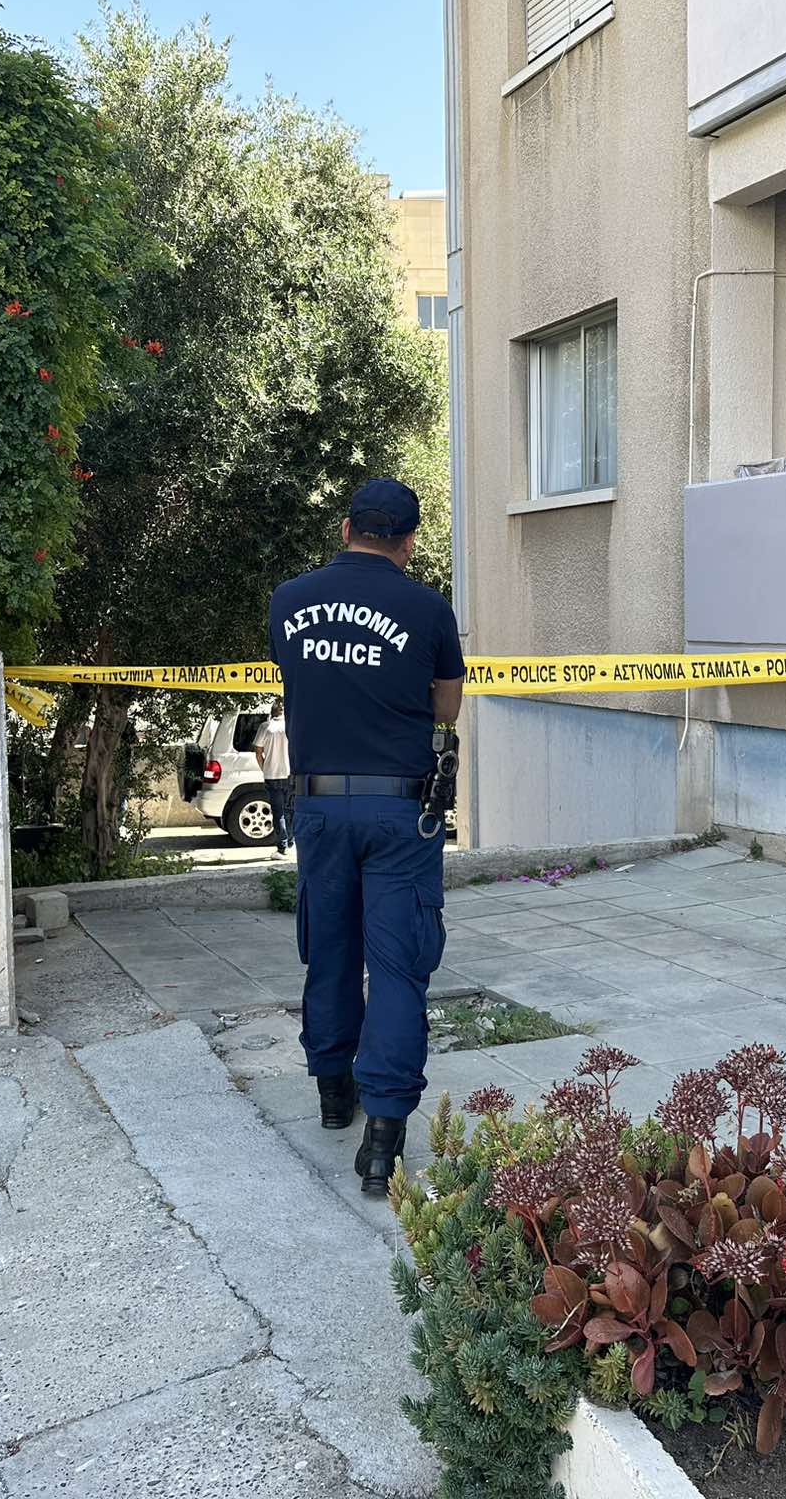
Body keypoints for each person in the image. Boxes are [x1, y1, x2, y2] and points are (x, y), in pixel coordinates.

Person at [267, 477, 464, 1195]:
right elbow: (448, 707)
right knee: (398, 964)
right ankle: (382, 1140)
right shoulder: (427, 607)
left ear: (346, 527)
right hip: (399, 813)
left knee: (330, 950)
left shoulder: (288, 600)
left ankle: (332, 1092)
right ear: (408, 542)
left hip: (319, 807)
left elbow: (301, 678)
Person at [255, 695, 292, 855]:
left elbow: (258, 752)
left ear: (272, 712)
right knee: (290, 810)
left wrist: (264, 768)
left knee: (278, 812)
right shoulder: (291, 726)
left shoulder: (265, 726)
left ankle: (282, 847)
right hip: (290, 774)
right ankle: (290, 841)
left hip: (271, 775)